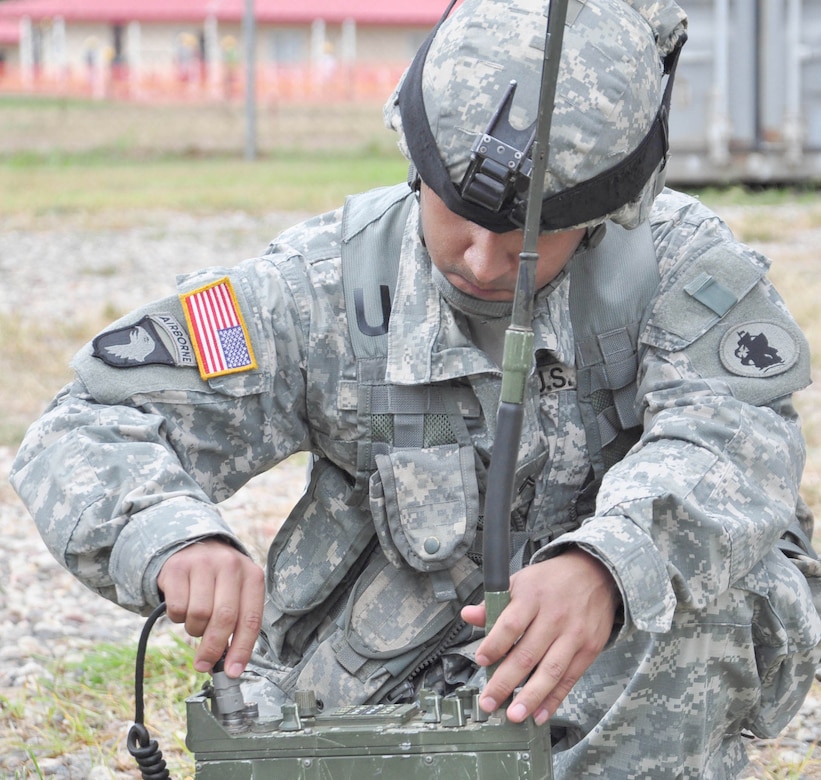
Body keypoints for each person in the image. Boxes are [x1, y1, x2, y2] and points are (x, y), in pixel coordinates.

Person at [10, 0, 821, 776]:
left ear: (614, 206)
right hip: (399, 658)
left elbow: (732, 441)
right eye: (455, 216)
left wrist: (608, 565)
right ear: (412, 154)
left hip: (623, 668)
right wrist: (175, 533)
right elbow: (88, 421)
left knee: (696, 595)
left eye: (525, 240)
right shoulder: (322, 286)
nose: (477, 259)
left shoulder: (676, 266)